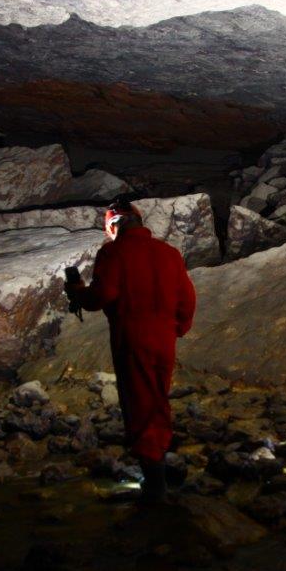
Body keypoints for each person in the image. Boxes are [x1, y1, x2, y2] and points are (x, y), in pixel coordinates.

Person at [65, 201, 197, 501]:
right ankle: (159, 466)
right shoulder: (169, 253)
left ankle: (155, 486)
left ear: (114, 226)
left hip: (132, 337)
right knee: (157, 397)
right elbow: (187, 298)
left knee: (140, 402)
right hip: (164, 339)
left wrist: (78, 293)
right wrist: (177, 328)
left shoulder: (113, 252)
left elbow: (103, 295)